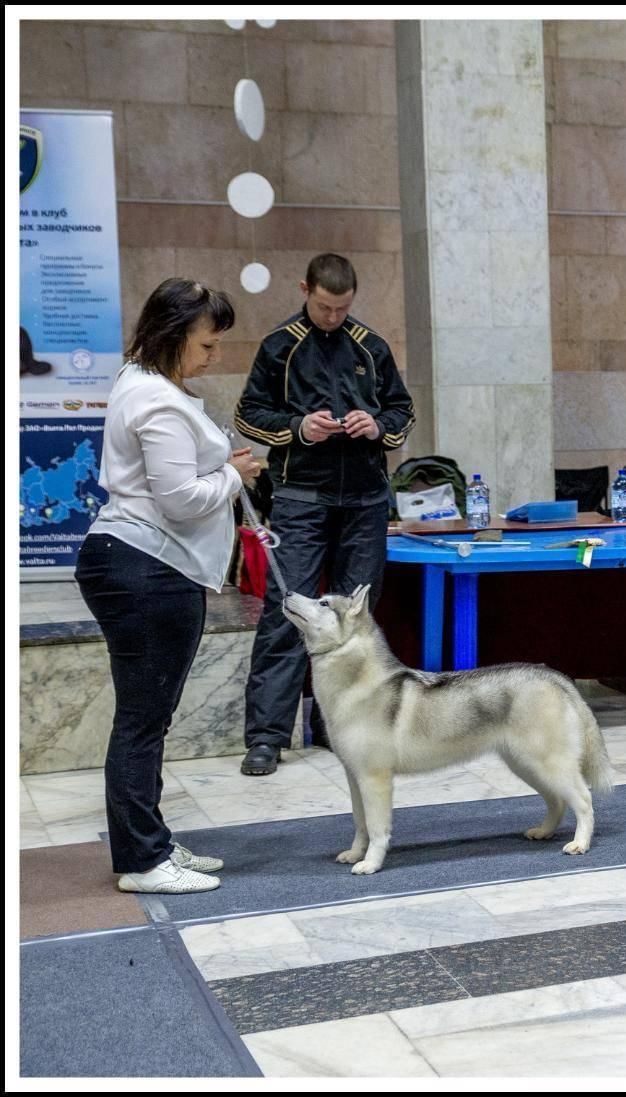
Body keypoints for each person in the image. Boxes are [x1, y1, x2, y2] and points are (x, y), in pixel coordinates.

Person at [75, 279, 264, 893]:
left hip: (142, 564)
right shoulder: (156, 400)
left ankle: (149, 843)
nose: (215, 356)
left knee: (147, 718)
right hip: (146, 568)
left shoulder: (145, 381)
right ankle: (141, 862)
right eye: (207, 344)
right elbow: (181, 502)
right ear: (173, 334)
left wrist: (217, 467)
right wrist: (233, 475)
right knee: (142, 720)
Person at [235, 254, 415, 776]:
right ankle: (267, 737)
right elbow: (250, 413)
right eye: (323, 306)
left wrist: (377, 425)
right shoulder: (279, 346)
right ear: (304, 290)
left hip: (364, 500)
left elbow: (402, 410)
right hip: (300, 499)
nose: (333, 316)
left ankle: (340, 728)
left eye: (342, 308)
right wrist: (298, 428)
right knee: (285, 612)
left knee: (356, 619)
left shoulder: (371, 346)